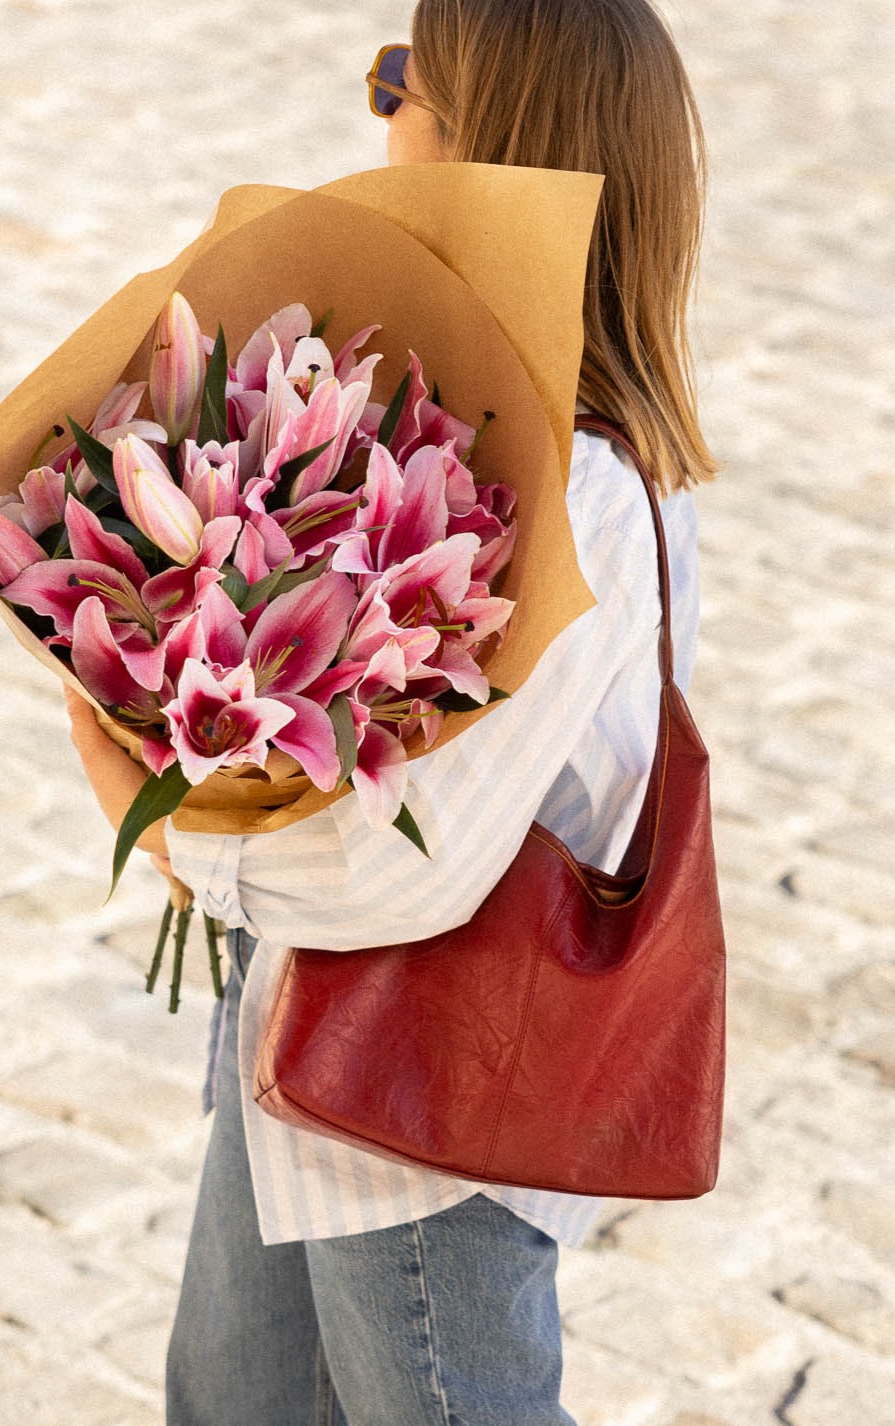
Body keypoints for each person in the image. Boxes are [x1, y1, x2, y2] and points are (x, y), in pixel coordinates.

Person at [64, 1, 716, 1421]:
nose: (375, 115)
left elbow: (395, 869)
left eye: (397, 84)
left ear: (491, 150)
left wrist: (153, 815)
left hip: (430, 1130)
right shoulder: (455, 420)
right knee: (227, 1401)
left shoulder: (579, 494)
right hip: (301, 1040)